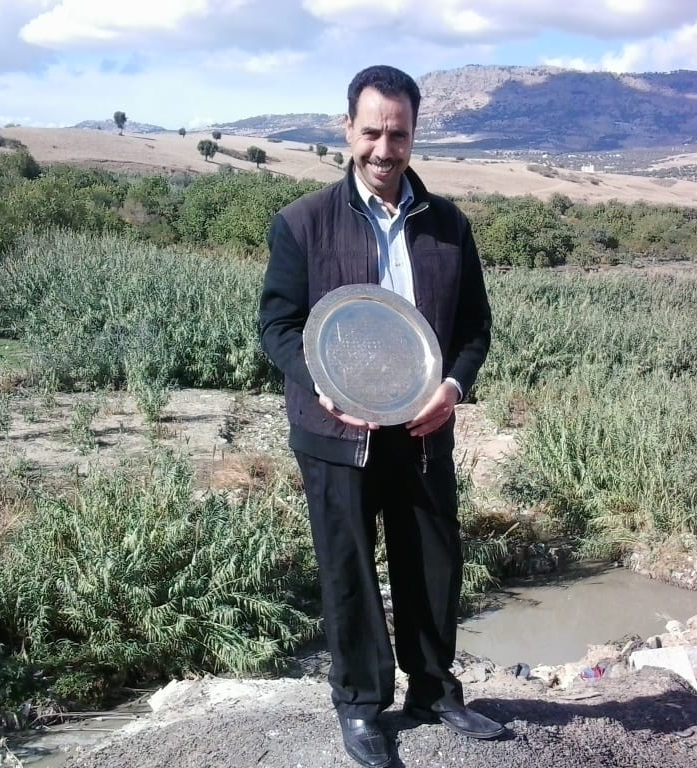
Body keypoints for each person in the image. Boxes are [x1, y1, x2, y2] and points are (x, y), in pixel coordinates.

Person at [258, 64, 501, 767]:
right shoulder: (302, 222)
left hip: (424, 428)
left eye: (398, 134)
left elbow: (474, 328)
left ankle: (433, 691)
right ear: (347, 129)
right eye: (372, 132)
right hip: (336, 432)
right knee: (349, 568)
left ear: (415, 134)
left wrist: (452, 388)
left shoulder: (449, 226)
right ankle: (362, 708)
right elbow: (278, 326)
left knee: (433, 563)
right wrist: (322, 382)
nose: (384, 150)